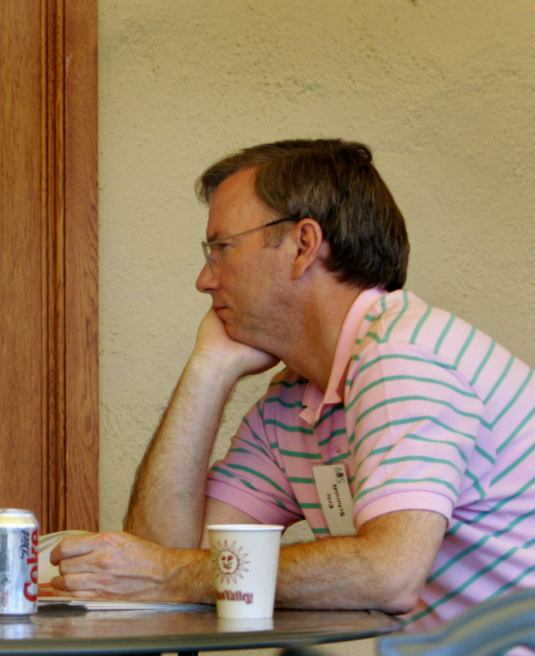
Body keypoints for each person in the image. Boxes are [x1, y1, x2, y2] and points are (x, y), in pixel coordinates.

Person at [50, 139, 535, 630]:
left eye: (220, 248)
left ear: (303, 246)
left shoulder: (405, 356)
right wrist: (208, 370)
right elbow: (164, 566)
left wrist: (170, 573)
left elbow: (388, 575)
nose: (204, 280)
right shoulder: (292, 400)